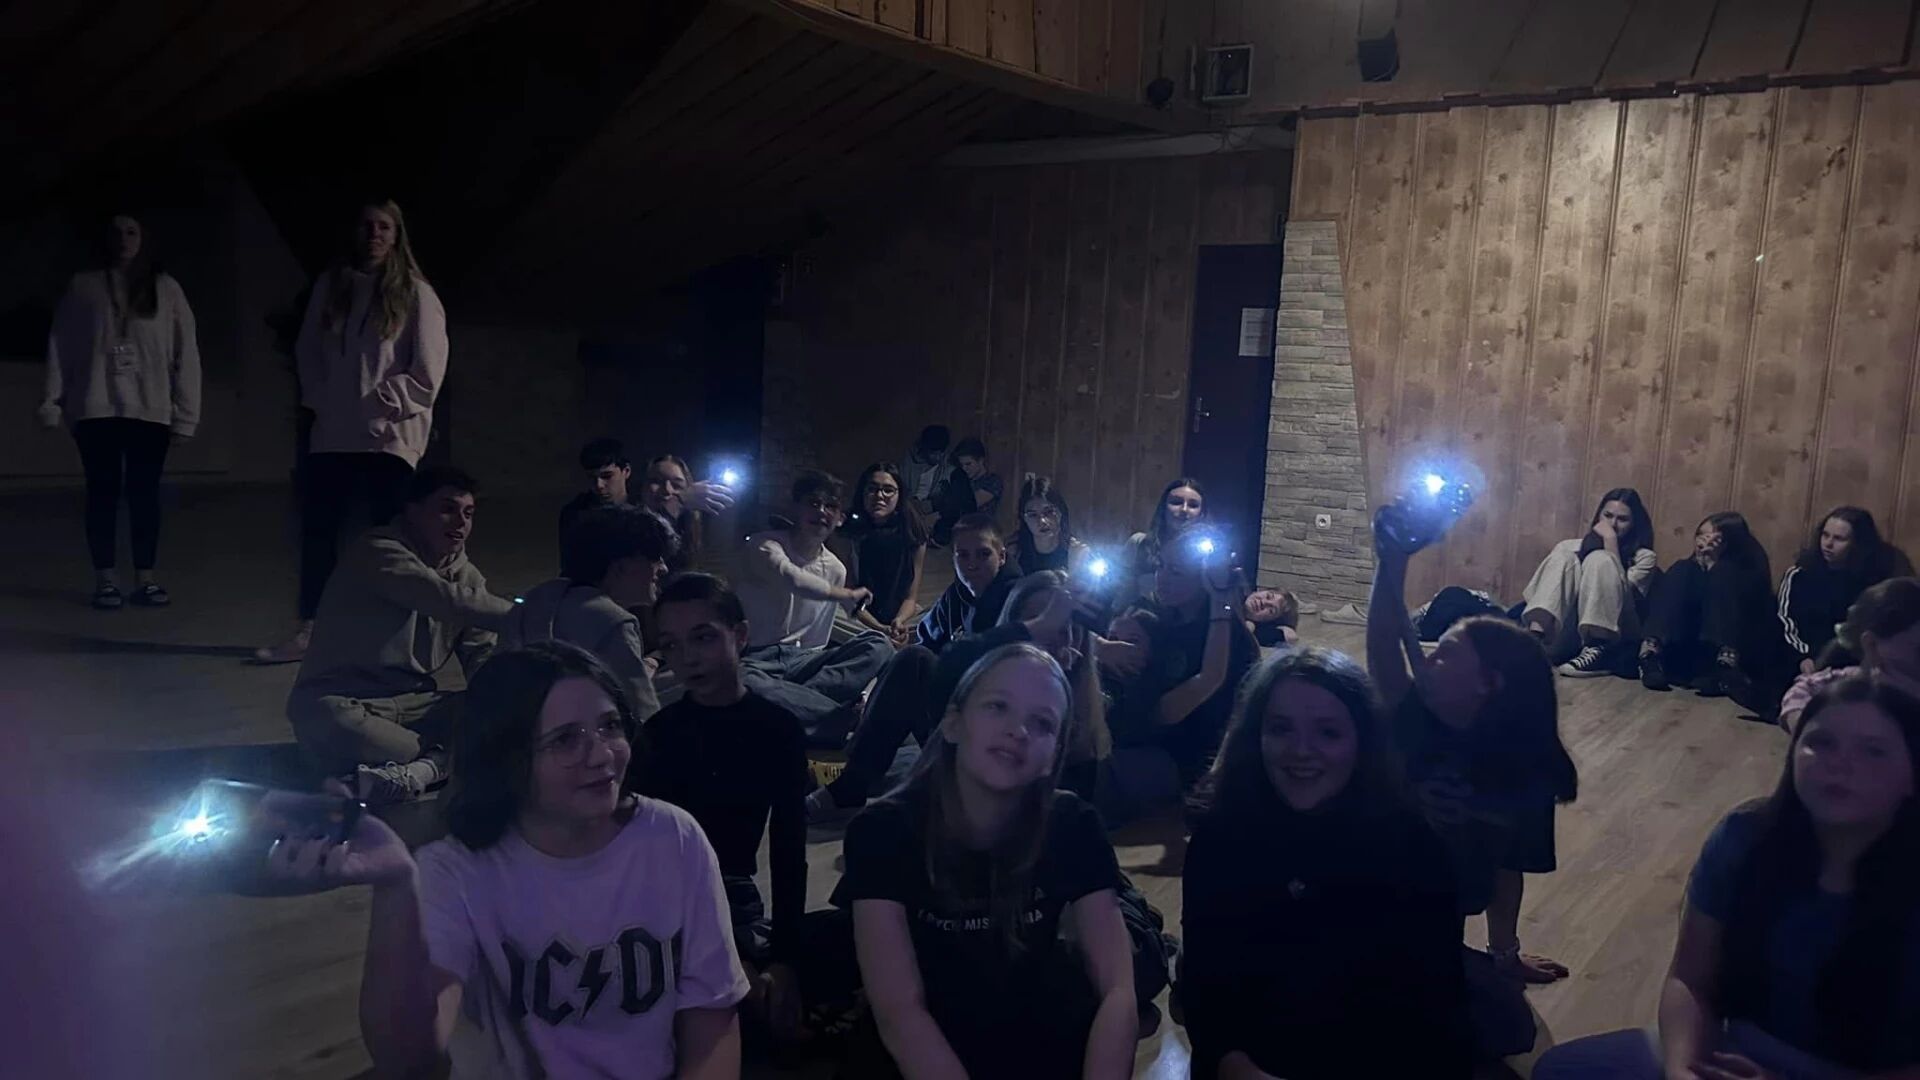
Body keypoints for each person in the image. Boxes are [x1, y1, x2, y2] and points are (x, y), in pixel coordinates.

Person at [266, 642, 748, 1079]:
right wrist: (396, 889)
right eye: (565, 739)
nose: (602, 754)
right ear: (507, 756)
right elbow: (408, 1060)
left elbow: (712, 1020)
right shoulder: (456, 870)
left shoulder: (671, 836)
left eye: (610, 726)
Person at [1535, 674, 1920, 1080]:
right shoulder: (1746, 837)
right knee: (1560, 1070)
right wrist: (1683, 1067)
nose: (1840, 764)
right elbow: (1690, 979)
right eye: (1822, 742)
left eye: (1874, 751)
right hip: (1734, 1050)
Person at [835, 642, 1137, 1078]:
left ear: (1053, 756)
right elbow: (900, 1011)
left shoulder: (1072, 824)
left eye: (1042, 723)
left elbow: (1118, 990)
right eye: (998, 707)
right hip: (922, 1045)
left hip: (1034, 1032)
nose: (1019, 731)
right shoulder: (884, 830)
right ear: (953, 723)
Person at [1182, 648, 1472, 1080]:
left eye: (1328, 732)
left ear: (1362, 742)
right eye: (1281, 729)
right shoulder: (1219, 834)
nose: (1301, 750)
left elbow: (1436, 1005)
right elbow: (1205, 983)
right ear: (1256, 736)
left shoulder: (1413, 846)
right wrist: (1238, 1068)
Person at [1368, 510, 1581, 1056]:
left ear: (1488, 684)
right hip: (1360, 906)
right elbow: (1385, 648)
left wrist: (1504, 955)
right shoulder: (1419, 716)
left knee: (1508, 1029)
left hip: (1427, 932)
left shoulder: (1526, 773)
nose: (1429, 657)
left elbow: (1510, 869)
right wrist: (1392, 560)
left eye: (1445, 654)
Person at [256, 199, 449, 665]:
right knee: (319, 533)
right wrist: (323, 402)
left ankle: (393, 637)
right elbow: (308, 351)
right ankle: (313, 629)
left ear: (397, 236)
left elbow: (429, 368)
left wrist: (388, 401)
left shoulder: (416, 293)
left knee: (389, 539)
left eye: (384, 227)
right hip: (333, 433)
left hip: (390, 437)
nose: (374, 235)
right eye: (367, 226)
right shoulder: (332, 288)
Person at [638, 574, 810, 1042]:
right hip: (667, 904)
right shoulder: (658, 737)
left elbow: (789, 851)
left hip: (734, 894)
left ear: (741, 635)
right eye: (671, 646)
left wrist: (785, 960)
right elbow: (645, 863)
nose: (687, 658)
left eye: (703, 637)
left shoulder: (778, 730)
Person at [285, 466, 513, 803]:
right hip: (343, 703)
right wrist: (530, 615)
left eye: (468, 513)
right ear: (413, 511)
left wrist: (496, 704)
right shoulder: (377, 550)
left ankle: (415, 769)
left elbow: (480, 653)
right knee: (331, 722)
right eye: (447, 509)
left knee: (508, 713)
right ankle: (437, 763)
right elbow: (443, 599)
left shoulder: (468, 579)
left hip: (416, 704)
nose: (460, 522)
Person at [38, 213, 201, 610]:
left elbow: (187, 351)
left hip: (150, 409)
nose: (124, 238)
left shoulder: (166, 288)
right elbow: (60, 345)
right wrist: (52, 400)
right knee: (102, 494)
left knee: (145, 496)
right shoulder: (83, 286)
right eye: (116, 231)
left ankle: (146, 578)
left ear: (144, 238)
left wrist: (187, 413)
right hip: (96, 406)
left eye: (132, 231)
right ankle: (106, 579)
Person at [1103, 526, 1258, 821]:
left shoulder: (1224, 634)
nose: (1162, 577)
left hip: (1184, 759)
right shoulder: (1160, 617)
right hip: (1137, 737)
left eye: (1176, 571)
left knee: (1097, 776)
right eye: (1160, 565)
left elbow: (1176, 708)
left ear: (1205, 578)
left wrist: (1222, 600)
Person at [735, 470, 891, 735]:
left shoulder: (836, 569)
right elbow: (792, 578)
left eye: (830, 506)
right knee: (739, 680)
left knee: (878, 646)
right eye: (813, 503)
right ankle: (833, 717)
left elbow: (842, 617)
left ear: (840, 519)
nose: (821, 512)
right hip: (759, 661)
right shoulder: (765, 544)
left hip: (808, 662)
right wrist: (846, 594)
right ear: (796, 508)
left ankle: (798, 704)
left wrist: (883, 628)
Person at [503, 503, 676, 722]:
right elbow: (643, 713)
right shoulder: (614, 623)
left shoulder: (531, 604)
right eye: (655, 558)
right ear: (622, 565)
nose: (663, 568)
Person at [1519, 487, 1658, 675]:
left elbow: (1624, 598)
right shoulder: (1568, 546)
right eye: (1608, 516)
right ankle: (1534, 639)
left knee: (1600, 559)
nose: (1613, 524)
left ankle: (1597, 647)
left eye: (1622, 519)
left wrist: (1610, 542)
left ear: (1634, 524)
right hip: (1566, 631)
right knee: (1564, 557)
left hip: (1616, 634)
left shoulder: (1645, 557)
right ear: (1599, 515)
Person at [1638, 512, 1776, 701]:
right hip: (1687, 650)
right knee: (1681, 568)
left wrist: (1714, 565)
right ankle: (1649, 654)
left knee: (1723, 574)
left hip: (1733, 653)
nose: (1704, 542)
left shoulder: (1749, 567)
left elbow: (1752, 614)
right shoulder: (1688, 569)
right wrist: (1702, 566)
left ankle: (1725, 665)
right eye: (1701, 535)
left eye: (1715, 539)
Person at [1779, 506, 1907, 678]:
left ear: (1857, 543)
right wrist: (1802, 657)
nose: (1828, 544)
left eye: (1839, 538)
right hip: (1804, 660)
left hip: (1856, 667)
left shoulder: (1875, 579)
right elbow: (1785, 621)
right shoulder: (1800, 574)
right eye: (1825, 535)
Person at [1779, 577, 1920, 733]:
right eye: (1918, 651)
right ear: (1871, 646)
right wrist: (1802, 724)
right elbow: (1806, 687)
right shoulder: (1859, 681)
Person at [842, 462, 929, 643]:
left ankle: (885, 641)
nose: (879, 496)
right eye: (872, 489)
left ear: (899, 495)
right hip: (858, 617)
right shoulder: (848, 534)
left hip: (899, 617)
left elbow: (910, 598)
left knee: (934, 620)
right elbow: (849, 596)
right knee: (831, 614)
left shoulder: (913, 534)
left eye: (888, 490)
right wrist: (879, 628)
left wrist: (899, 621)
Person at [913, 513, 1021, 654]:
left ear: (1001, 557)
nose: (972, 565)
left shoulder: (1019, 602)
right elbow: (926, 643)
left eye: (983, 554)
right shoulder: (954, 596)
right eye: (963, 555)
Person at [1118, 477, 1210, 611]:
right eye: (1176, 502)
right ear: (1164, 508)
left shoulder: (1209, 552)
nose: (1184, 509)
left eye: (1193, 505)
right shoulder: (1140, 543)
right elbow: (1121, 594)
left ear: (1202, 512)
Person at [639, 453, 735, 573]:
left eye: (676, 485)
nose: (667, 490)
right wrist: (679, 500)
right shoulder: (629, 524)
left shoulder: (693, 532)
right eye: (657, 481)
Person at [1005, 473, 1092, 576]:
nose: (1042, 521)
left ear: (1061, 512)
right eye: (1032, 515)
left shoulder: (1076, 551)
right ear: (1024, 518)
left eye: (1049, 512)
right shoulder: (1013, 551)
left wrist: (1075, 568)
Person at [930, 437, 1003, 545]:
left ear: (981, 460)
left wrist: (936, 516)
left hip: (981, 535)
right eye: (962, 465)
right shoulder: (960, 481)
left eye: (968, 464)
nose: (964, 468)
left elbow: (967, 504)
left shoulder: (992, 481)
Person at [899, 424, 950, 517]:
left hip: (933, 510)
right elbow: (902, 488)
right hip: (908, 508)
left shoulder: (948, 463)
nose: (938, 458)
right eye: (933, 454)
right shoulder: (909, 462)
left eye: (941, 453)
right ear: (924, 449)